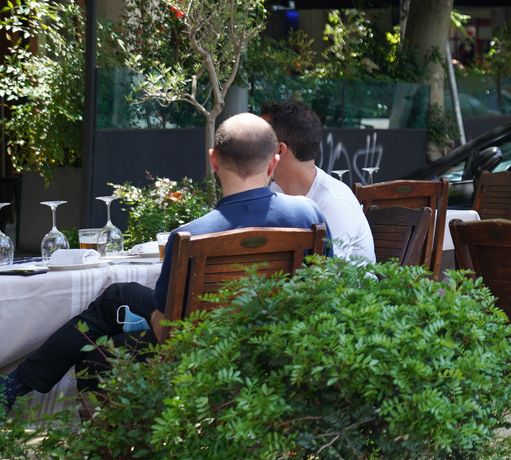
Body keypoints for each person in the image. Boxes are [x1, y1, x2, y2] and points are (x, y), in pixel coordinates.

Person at [1, 114, 328, 412]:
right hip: (277, 342)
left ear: (213, 161)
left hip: (205, 348)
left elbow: (166, 330)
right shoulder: (308, 215)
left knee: (99, 349)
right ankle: (16, 387)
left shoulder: (191, 236)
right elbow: (323, 288)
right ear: (273, 162)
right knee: (118, 295)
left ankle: (22, 394)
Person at [263, 100, 375, 265]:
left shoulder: (333, 203)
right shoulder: (274, 189)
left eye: (258, 139)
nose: (251, 144)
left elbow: (327, 277)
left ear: (280, 150)